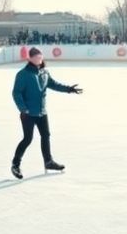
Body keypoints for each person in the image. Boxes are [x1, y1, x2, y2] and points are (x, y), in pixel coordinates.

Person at [10, 47, 83, 178]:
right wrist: (23, 108)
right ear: (30, 58)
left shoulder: (44, 73)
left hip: (42, 111)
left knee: (46, 135)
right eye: (37, 57)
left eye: (40, 57)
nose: (39, 59)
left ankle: (48, 161)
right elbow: (16, 93)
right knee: (27, 139)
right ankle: (15, 164)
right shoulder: (23, 74)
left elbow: (54, 84)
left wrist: (69, 89)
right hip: (28, 113)